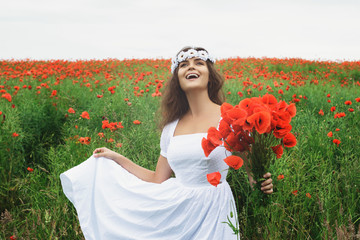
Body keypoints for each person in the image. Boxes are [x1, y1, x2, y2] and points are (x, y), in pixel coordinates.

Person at [60, 46, 273, 240]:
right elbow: (157, 178)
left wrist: (263, 183)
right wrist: (116, 158)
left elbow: (252, 175)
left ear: (210, 76)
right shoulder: (171, 127)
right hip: (177, 213)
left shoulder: (229, 117)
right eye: (183, 65)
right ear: (178, 80)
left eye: (199, 62)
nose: (191, 66)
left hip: (214, 211)